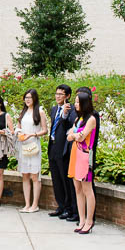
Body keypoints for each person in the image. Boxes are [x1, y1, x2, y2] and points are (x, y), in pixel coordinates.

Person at [67, 88, 98, 234]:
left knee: (87, 189)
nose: (75, 105)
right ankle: (81, 219)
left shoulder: (91, 119)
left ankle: (89, 221)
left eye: (78, 102)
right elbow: (70, 136)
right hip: (76, 154)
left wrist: (74, 134)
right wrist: (75, 134)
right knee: (77, 188)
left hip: (85, 156)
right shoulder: (78, 119)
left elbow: (80, 136)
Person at [47, 84, 78, 222]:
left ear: (68, 96)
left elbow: (70, 127)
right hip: (53, 146)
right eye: (56, 94)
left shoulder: (71, 110)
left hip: (63, 148)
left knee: (65, 180)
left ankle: (68, 208)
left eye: (61, 94)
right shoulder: (54, 109)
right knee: (56, 179)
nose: (58, 96)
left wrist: (64, 114)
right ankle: (60, 206)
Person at [16, 89, 47, 213]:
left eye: (30, 97)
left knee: (35, 176)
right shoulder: (23, 112)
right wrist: (19, 133)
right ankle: (27, 204)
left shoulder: (40, 112)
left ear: (34, 98)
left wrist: (32, 134)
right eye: (26, 97)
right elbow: (18, 127)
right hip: (23, 146)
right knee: (25, 175)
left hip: (34, 146)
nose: (27, 100)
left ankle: (35, 204)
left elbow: (45, 130)